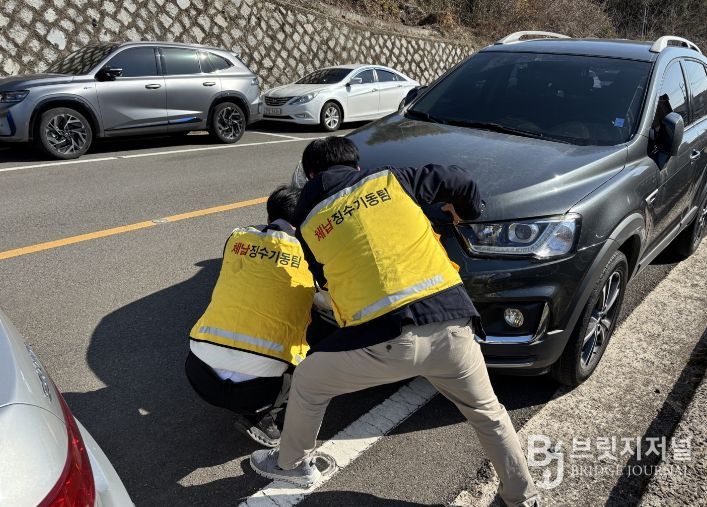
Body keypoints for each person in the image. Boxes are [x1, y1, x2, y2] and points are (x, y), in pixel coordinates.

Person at [249, 138, 538, 506]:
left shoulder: (307, 220)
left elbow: (322, 279)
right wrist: (464, 211)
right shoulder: (390, 178)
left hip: (381, 341)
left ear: (310, 175)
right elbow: (459, 180)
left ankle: (291, 463)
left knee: (308, 379)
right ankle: (521, 497)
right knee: (488, 413)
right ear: (356, 166)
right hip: (452, 323)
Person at [186, 185, 315, 448]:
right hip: (254, 394)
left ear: (269, 216)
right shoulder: (311, 253)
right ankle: (266, 419)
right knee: (315, 338)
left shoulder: (238, 238)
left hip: (197, 373)